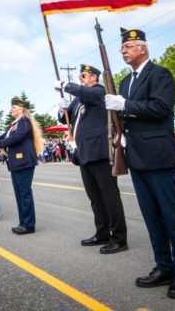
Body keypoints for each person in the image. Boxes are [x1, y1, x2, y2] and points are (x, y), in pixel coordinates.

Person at [104, 28, 175, 299]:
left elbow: (160, 108)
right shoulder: (123, 82)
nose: (124, 50)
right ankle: (164, 266)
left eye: (129, 46)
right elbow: (127, 119)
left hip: (158, 154)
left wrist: (125, 105)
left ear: (143, 48)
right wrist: (120, 136)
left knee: (171, 216)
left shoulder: (160, 74)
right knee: (151, 217)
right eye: (123, 47)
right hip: (136, 156)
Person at [56, 64, 128, 253]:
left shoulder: (98, 92)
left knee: (110, 196)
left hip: (100, 152)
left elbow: (84, 92)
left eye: (84, 75)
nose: (81, 78)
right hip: (84, 153)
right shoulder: (79, 98)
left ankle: (119, 238)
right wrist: (61, 108)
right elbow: (66, 119)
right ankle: (102, 232)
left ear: (94, 78)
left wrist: (65, 84)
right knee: (95, 197)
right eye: (80, 76)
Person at [0, 97, 42, 235]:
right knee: (19, 194)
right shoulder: (14, 123)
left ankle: (29, 224)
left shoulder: (24, 121)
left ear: (21, 109)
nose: (11, 109)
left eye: (14, 107)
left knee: (24, 194)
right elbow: (5, 136)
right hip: (15, 162)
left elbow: (17, 137)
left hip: (24, 161)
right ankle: (23, 222)